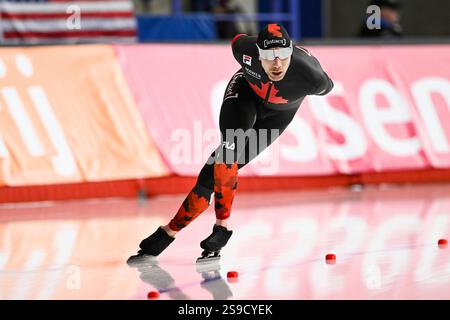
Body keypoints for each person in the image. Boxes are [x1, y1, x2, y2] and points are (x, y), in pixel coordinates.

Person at [128, 23, 334, 263]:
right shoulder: (242, 49)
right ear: (257, 54)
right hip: (244, 96)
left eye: (282, 56)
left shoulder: (312, 77)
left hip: (278, 116)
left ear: (290, 52)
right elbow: (236, 37)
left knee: (212, 173)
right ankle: (214, 228)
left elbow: (329, 85)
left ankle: (174, 232)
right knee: (228, 153)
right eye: (268, 57)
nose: (276, 64)